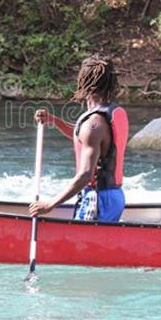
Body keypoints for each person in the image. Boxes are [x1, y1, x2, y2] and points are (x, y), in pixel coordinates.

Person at [28, 54, 128, 222]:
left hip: (98, 199)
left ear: (84, 82)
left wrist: (51, 204)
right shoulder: (111, 115)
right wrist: (54, 120)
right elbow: (84, 137)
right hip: (114, 195)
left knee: (85, 245)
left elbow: (86, 175)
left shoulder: (94, 124)